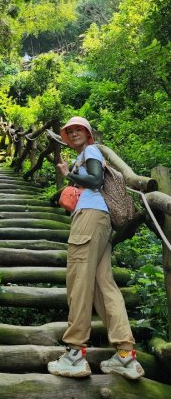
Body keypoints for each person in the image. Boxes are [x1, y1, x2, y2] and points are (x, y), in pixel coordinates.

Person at [47, 116, 144, 380]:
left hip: (90, 218)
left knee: (78, 280)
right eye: (70, 130)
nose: (75, 132)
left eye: (80, 129)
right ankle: (125, 356)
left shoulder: (91, 150)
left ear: (89, 134)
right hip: (101, 222)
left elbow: (96, 180)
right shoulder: (87, 153)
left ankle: (75, 354)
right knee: (104, 285)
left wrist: (68, 174)